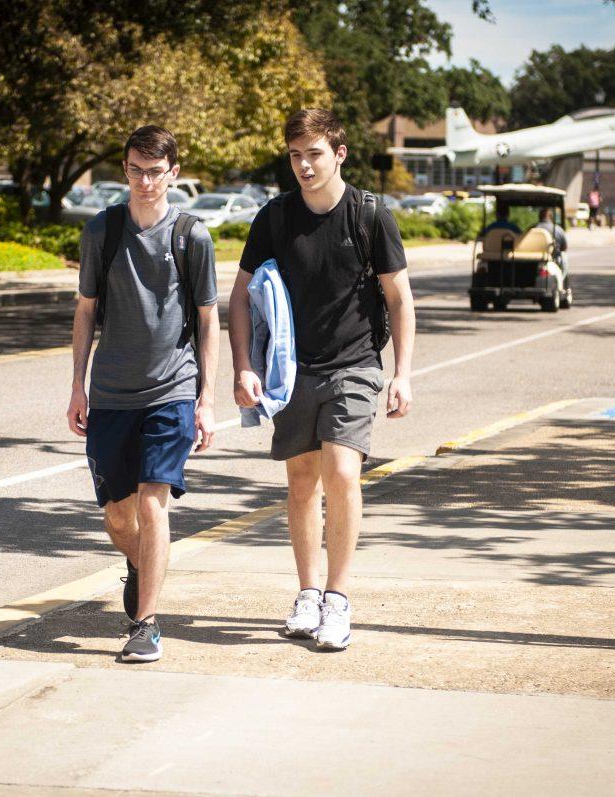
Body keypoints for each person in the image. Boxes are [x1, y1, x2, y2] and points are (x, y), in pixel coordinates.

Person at [229, 108, 415, 651]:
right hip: (294, 370)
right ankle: (307, 594)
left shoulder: (369, 215)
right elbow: (239, 295)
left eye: (314, 154)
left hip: (355, 364)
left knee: (341, 471)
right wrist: (244, 365)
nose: (304, 165)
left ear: (339, 154)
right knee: (300, 481)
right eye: (295, 155)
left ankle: (338, 599)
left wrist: (402, 374)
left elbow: (400, 298)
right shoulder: (275, 218)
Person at [67, 125, 219, 664]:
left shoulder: (192, 236)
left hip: (171, 389)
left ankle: (146, 623)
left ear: (174, 173)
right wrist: (77, 387)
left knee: (153, 502)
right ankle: (141, 565)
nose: (146, 181)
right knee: (116, 516)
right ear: (124, 171)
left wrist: (205, 398)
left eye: (156, 171)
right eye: (136, 170)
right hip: (111, 392)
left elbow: (207, 320)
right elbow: (86, 311)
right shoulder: (101, 233)